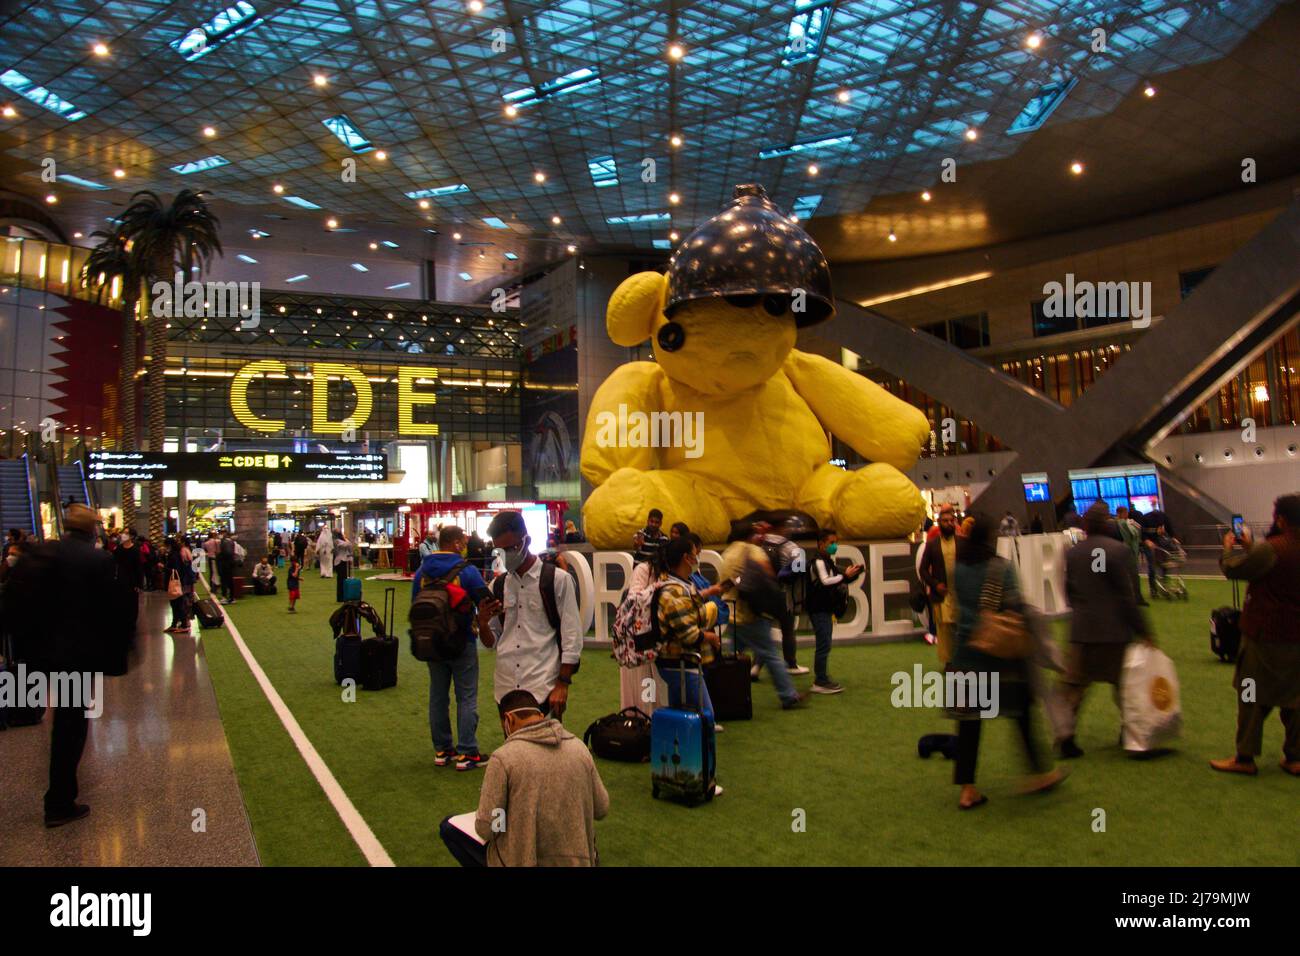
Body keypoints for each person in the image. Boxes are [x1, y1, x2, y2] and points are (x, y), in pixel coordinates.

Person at [6, 505, 131, 827]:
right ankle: (59, 802)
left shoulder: (38, 554)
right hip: (73, 659)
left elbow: (13, 601)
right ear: (93, 530)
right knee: (69, 726)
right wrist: (117, 658)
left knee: (26, 715)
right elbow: (113, 611)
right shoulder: (97, 560)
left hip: (32, 655)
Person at [949, 512, 1067, 810]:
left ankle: (967, 789)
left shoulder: (958, 569)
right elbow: (1015, 606)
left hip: (964, 654)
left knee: (968, 724)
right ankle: (1040, 773)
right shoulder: (1000, 568)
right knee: (1022, 714)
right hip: (1001, 658)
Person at [439, 690, 609, 867]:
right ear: (540, 716)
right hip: (579, 861)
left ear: (508, 720)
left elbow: (489, 828)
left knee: (448, 827)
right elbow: (602, 808)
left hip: (524, 861)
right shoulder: (579, 749)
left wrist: (506, 815)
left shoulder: (504, 758)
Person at [1212, 494, 1300, 777]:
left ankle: (1245, 757)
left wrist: (1231, 548)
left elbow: (1235, 569)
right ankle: (1295, 756)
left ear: (1281, 519)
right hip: (1296, 637)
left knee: (1249, 693)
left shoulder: (1274, 548)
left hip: (1265, 636)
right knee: (1296, 699)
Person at [1058, 502, 1153, 758]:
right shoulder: (1119, 551)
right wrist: (1144, 630)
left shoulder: (1072, 554)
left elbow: (1067, 592)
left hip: (1082, 632)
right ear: (1107, 524)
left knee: (1073, 689)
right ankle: (1132, 735)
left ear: (1085, 526)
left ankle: (1065, 739)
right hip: (1115, 633)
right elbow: (1127, 597)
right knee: (1125, 688)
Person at [480, 510, 582, 719]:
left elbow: (572, 636)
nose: (506, 555)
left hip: (543, 687)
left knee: (549, 750)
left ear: (527, 541)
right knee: (513, 750)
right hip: (505, 688)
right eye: (500, 550)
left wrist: (563, 683)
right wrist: (482, 623)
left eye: (511, 548)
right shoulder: (497, 586)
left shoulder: (557, 580)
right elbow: (491, 642)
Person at [412, 525, 493, 771]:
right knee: (466, 696)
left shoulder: (422, 571)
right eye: (463, 541)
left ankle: (442, 750)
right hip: (461, 641)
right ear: (456, 543)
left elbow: (415, 604)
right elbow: (485, 602)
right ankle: (467, 752)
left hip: (432, 641)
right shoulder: (466, 571)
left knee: (438, 695)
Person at [720, 519, 804, 709]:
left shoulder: (728, 552)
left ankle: (726, 696)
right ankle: (788, 695)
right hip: (751, 614)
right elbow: (767, 578)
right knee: (771, 654)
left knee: (732, 659)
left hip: (731, 613)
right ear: (750, 535)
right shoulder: (753, 551)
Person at [653, 536, 721, 763]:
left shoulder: (678, 585)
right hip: (681, 663)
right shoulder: (674, 591)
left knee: (679, 714)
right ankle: (701, 775)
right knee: (705, 718)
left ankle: (680, 770)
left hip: (676, 664)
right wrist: (709, 636)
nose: (697, 557)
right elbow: (688, 633)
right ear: (686, 557)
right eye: (694, 552)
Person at [806, 528, 863, 694]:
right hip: (818, 609)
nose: (834, 546)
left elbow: (838, 576)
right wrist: (845, 576)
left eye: (835, 542)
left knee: (825, 644)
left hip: (825, 609)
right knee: (823, 645)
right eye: (831, 543)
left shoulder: (827, 561)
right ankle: (820, 680)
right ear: (821, 544)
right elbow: (825, 582)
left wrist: (852, 573)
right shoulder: (818, 562)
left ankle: (822, 678)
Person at [755, 518, 809, 676]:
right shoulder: (791, 547)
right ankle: (791, 664)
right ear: (784, 529)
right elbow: (799, 569)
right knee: (788, 630)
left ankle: (756, 667)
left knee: (764, 631)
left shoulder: (761, 542)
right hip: (783, 594)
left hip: (763, 593)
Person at [919, 504, 959, 666]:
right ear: (939, 523)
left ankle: (961, 661)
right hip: (941, 595)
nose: (948, 523)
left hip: (960, 595)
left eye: (951, 520)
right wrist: (935, 585)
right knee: (944, 631)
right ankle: (948, 663)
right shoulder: (932, 545)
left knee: (960, 629)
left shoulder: (962, 543)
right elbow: (923, 570)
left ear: (955, 521)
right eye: (944, 521)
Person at [1114, 506, 1148, 607]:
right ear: (1123, 513)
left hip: (1119, 553)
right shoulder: (1124, 523)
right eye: (1125, 512)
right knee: (1133, 576)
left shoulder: (1115, 523)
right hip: (1128, 553)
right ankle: (1136, 598)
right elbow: (1134, 534)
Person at [1139, 506, 1173, 598]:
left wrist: (1173, 537)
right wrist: (1146, 541)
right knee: (1152, 566)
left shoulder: (1163, 517)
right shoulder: (1146, 518)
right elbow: (1142, 533)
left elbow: (1169, 529)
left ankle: (1163, 586)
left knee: (1163, 565)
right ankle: (1153, 590)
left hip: (1159, 544)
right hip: (1150, 544)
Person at [164, 536, 196, 633]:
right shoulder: (181, 552)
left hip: (177, 581)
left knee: (178, 603)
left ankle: (183, 624)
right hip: (183, 580)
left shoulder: (174, 555)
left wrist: (163, 567)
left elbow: (175, 569)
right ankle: (176, 623)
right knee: (177, 602)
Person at [217, 530, 237, 604]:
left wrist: (220, 556)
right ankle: (232, 597)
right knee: (230, 581)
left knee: (224, 581)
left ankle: (225, 597)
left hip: (225, 564)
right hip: (230, 563)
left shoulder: (225, 542)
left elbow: (227, 553)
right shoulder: (231, 542)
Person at [333, 530, 353, 602]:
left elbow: (349, 545)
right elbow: (347, 544)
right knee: (341, 580)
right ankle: (340, 597)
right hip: (340, 562)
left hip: (345, 561)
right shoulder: (336, 541)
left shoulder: (341, 540)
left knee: (346, 580)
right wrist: (346, 540)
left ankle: (346, 596)